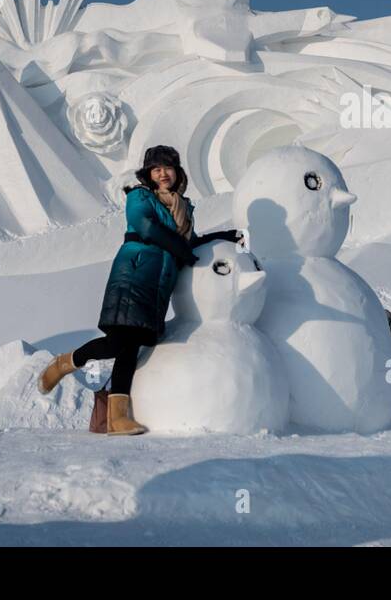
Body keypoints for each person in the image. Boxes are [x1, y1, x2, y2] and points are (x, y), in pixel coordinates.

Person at [38, 145, 242, 435]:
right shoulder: (139, 196)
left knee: (131, 348)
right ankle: (63, 364)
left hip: (159, 284)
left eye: (168, 167)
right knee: (117, 342)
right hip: (134, 273)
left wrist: (225, 236)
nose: (162, 173)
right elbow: (146, 228)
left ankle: (117, 418)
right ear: (148, 173)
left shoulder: (183, 207)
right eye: (156, 168)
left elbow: (189, 241)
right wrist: (181, 249)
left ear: (177, 172)